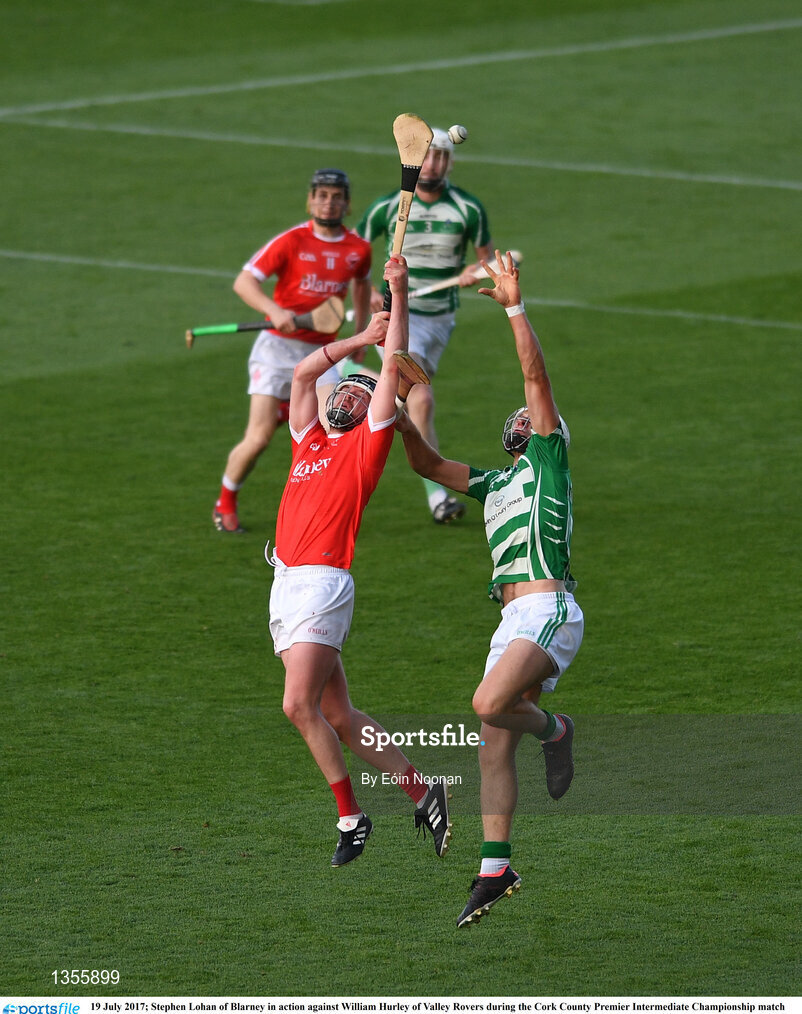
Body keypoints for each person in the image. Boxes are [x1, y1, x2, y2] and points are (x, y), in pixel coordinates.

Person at [395, 251, 584, 926]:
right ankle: (495, 868)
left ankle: (557, 731)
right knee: (489, 736)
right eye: (522, 417)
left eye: (534, 415)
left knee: (488, 700)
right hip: (510, 620)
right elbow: (423, 461)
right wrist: (399, 409)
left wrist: (513, 305)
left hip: (549, 608)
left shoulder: (549, 458)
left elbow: (535, 376)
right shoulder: (493, 482)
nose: (526, 415)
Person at [267, 254, 451, 867]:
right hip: (287, 583)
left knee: (299, 706)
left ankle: (351, 815)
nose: (348, 394)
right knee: (339, 714)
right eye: (345, 388)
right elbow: (300, 375)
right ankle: (424, 792)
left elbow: (394, 363)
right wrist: (356, 339)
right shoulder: (309, 438)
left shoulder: (365, 447)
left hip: (322, 583)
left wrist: (394, 302)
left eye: (360, 391)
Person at [213, 168, 372, 534]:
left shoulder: (358, 248)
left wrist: (361, 334)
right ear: (310, 200)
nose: (328, 203)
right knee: (259, 437)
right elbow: (244, 282)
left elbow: (362, 288)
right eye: (321, 195)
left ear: (347, 204)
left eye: (336, 197)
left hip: (321, 352)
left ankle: (322, 508)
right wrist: (274, 310)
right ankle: (226, 500)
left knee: (333, 432)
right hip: (276, 348)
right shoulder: (291, 241)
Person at [357, 127, 494, 524]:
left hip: (439, 319)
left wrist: (476, 272)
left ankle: (352, 375)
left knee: (407, 397)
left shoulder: (468, 209)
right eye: (429, 156)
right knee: (419, 398)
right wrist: (366, 293)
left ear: (451, 162)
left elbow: (485, 262)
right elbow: (356, 252)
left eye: (442, 157)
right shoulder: (390, 206)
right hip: (398, 312)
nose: (434, 164)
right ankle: (438, 495)